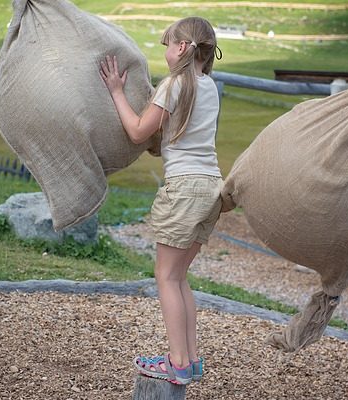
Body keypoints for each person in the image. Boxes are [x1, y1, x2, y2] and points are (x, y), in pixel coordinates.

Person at [100, 16, 223, 386]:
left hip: (183, 188)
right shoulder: (210, 86)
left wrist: (117, 91)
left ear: (182, 48)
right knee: (179, 276)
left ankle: (178, 363)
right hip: (212, 187)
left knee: (166, 277)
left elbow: (139, 131)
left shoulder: (173, 85)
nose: (166, 51)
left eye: (168, 44)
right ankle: (191, 359)